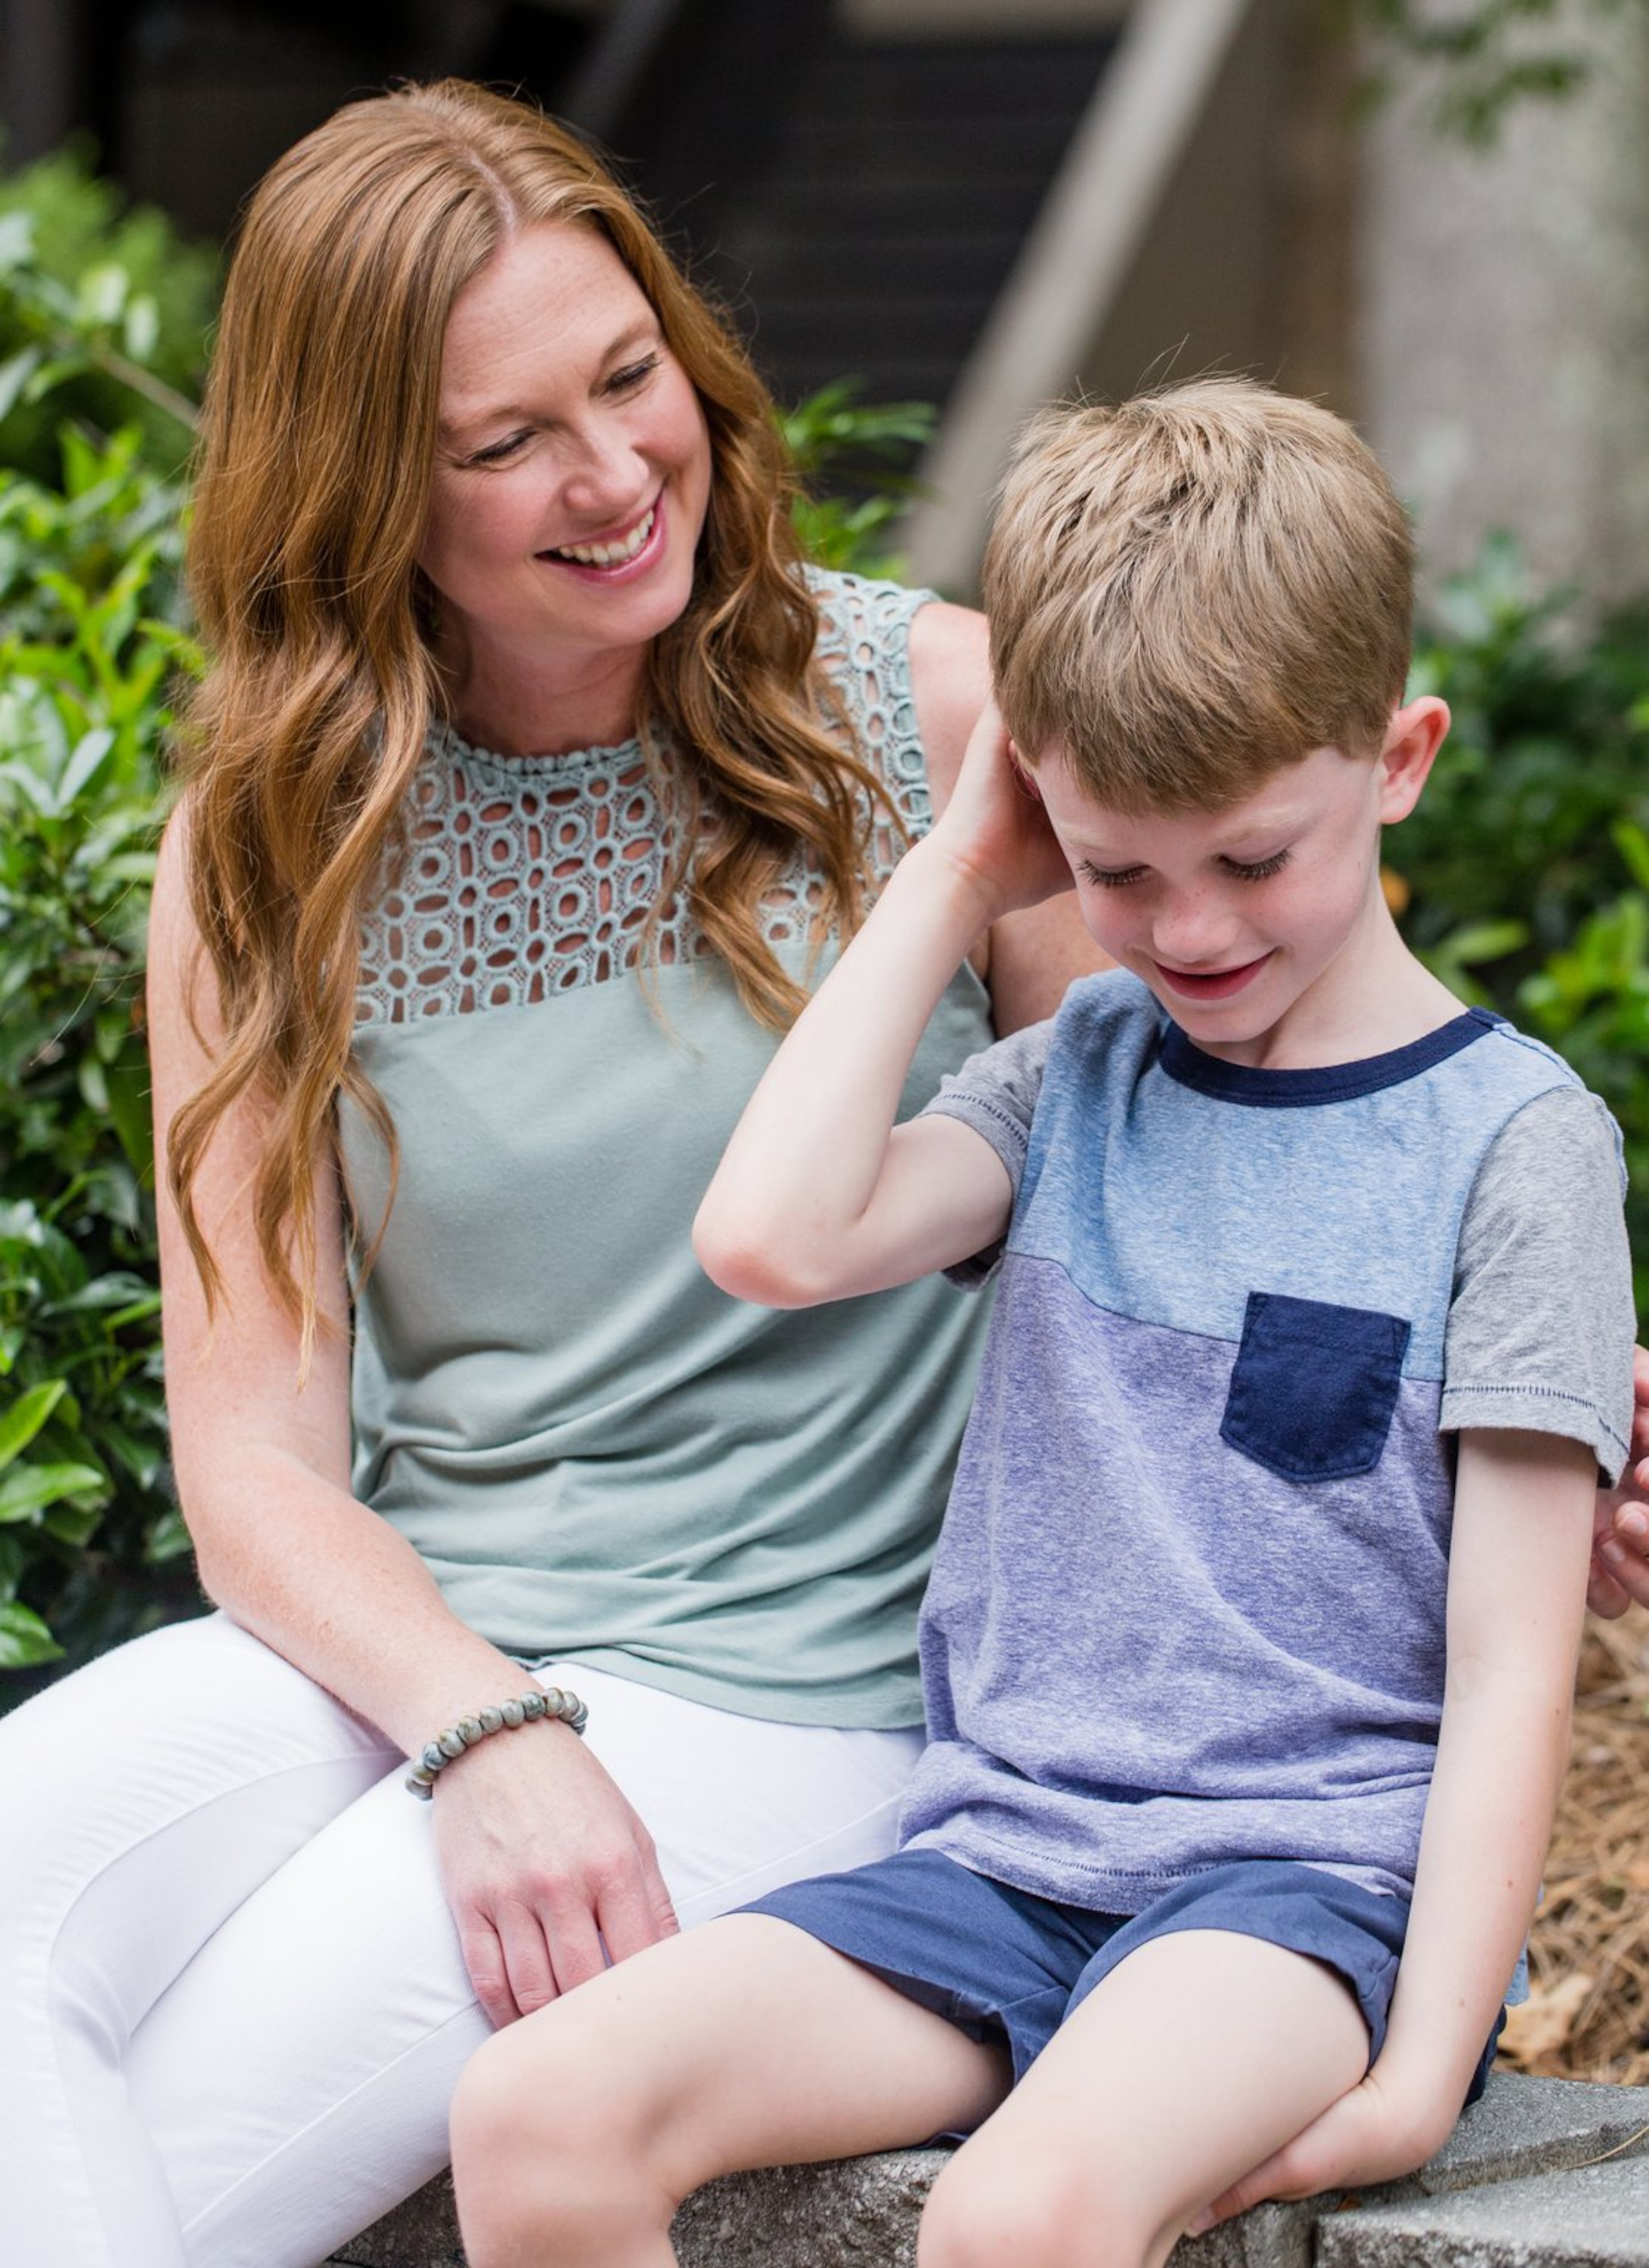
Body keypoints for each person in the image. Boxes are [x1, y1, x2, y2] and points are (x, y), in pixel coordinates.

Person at [0, 79, 1104, 2268]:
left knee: (186, 2151)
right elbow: (254, 1455)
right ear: (359, 490)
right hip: (419, 1647)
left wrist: (1528, 1427)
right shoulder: (265, 848)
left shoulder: (947, 721)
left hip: (802, 1687)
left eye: (630, 378)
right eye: (505, 441)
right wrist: (481, 1725)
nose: (613, 476)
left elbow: (1272, 1161)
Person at [446, 380, 1638, 2268]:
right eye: (1116, 870)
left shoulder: (1516, 1146)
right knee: (538, 2115)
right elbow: (770, 1236)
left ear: (1401, 758)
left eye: (1254, 859)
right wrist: (953, 869)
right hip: (997, 1863)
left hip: (1298, 1891)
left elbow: (1510, 1670)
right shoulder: (1081, 1068)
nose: (1190, 932)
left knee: (1023, 2216)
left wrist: (1423, 2075)